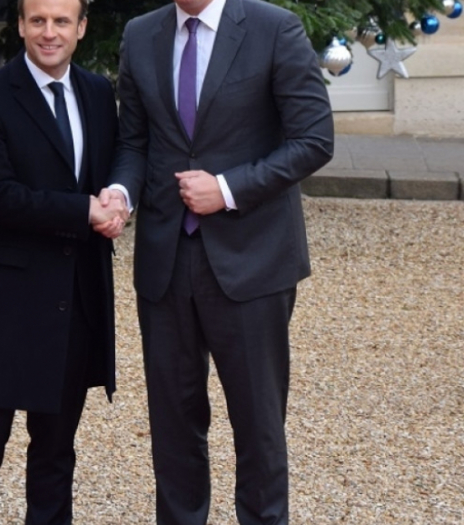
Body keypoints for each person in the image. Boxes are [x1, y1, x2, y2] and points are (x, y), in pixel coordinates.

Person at [98, 0, 334, 523]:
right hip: (164, 261)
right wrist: (120, 192)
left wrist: (227, 189)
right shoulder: (140, 34)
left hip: (253, 261)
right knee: (173, 428)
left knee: (258, 427)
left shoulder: (275, 28)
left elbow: (314, 140)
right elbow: (135, 143)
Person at [0, 0, 125, 522]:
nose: (50, 32)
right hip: (4, 303)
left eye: (62, 21)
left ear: (81, 28)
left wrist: (116, 200)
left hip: (73, 299)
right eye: (38, 20)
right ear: (22, 25)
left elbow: (109, 169)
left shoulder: (98, 93)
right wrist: (84, 210)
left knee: (55, 452)